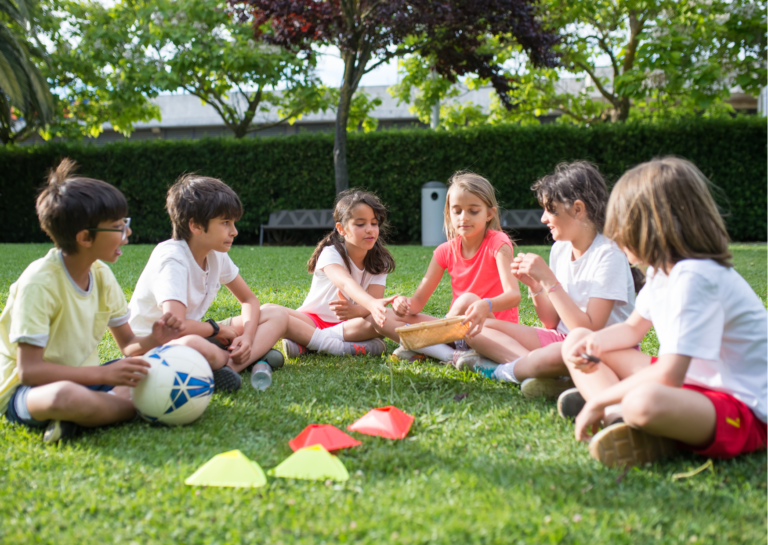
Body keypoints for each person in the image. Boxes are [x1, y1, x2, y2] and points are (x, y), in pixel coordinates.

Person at [561, 157, 767, 468]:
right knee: (577, 337)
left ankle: (615, 408)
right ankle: (619, 419)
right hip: (693, 385)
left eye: (620, 228)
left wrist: (601, 398)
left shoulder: (695, 276)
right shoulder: (661, 273)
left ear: (651, 226)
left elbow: (670, 374)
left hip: (743, 406)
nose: (614, 240)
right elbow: (631, 330)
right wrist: (593, 346)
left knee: (644, 403)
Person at [0, 159, 186, 443]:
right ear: (85, 237)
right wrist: (105, 374)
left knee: (151, 367)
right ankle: (136, 410)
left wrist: (153, 339)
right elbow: (30, 371)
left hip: (88, 378)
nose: (127, 233)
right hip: (28, 391)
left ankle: (83, 419)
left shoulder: (101, 275)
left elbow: (128, 345)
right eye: (117, 226)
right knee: (64, 396)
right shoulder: (38, 283)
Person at [458, 162, 636, 402]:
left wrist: (549, 280)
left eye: (551, 210)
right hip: (561, 340)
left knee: (559, 351)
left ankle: (515, 370)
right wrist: (535, 286)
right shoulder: (560, 249)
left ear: (578, 209)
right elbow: (551, 322)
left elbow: (588, 330)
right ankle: (545, 373)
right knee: (473, 328)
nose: (543, 218)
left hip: (599, 348)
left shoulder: (608, 254)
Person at [128, 174, 289, 392]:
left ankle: (233, 362)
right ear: (195, 225)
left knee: (276, 314)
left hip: (193, 335)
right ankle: (236, 361)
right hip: (155, 348)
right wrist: (215, 329)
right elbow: (174, 326)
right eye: (225, 223)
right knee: (195, 345)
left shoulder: (216, 253)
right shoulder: (172, 259)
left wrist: (248, 339)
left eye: (233, 223)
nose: (234, 231)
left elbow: (249, 299)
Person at [374, 171, 520, 364]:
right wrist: (403, 303)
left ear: (489, 214)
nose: (463, 217)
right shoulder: (444, 251)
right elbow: (417, 302)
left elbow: (514, 296)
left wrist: (485, 305)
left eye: (473, 211)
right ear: (448, 213)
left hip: (491, 330)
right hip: (454, 329)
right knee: (383, 317)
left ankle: (424, 347)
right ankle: (451, 355)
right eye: (457, 210)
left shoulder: (498, 243)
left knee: (467, 299)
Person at [265, 190, 396, 358]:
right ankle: (341, 346)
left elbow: (373, 307)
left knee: (380, 322)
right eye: (360, 224)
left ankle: (307, 342)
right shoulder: (331, 253)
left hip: (350, 326)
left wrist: (356, 311)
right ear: (341, 229)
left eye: (374, 223)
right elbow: (346, 282)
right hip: (311, 321)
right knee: (268, 309)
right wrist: (370, 304)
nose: (370, 230)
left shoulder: (380, 262)